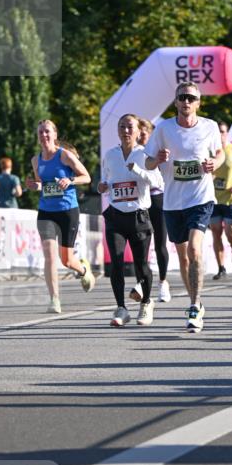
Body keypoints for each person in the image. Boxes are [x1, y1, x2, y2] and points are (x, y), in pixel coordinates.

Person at [145, 83, 222, 332]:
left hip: (200, 198)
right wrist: (157, 160)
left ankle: (194, 305)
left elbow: (220, 153)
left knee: (195, 251)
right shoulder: (164, 129)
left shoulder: (209, 127)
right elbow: (147, 162)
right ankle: (196, 303)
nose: (186, 102)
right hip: (172, 202)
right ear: (176, 102)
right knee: (183, 257)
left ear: (198, 103)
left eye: (191, 98)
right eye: (182, 98)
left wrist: (214, 163)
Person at [26, 119, 95, 314]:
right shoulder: (36, 160)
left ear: (55, 135)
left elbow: (87, 177)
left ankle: (82, 269)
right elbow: (43, 184)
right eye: (40, 132)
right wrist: (35, 186)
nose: (44, 135)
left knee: (66, 260)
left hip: (67, 211)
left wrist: (70, 179)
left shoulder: (64, 156)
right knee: (49, 256)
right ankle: (54, 299)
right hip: (46, 212)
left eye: (47, 132)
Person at [99, 114, 157, 326]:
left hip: (138, 215)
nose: (125, 131)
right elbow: (106, 179)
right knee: (116, 262)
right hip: (115, 215)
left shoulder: (144, 154)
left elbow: (157, 181)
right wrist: (102, 186)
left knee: (141, 265)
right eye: (122, 127)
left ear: (138, 131)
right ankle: (121, 308)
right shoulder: (110, 155)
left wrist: (138, 171)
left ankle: (146, 303)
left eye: (129, 127)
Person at [137, 118, 171, 303]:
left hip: (157, 198)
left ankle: (163, 282)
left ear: (151, 134)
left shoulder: (158, 152)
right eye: (139, 131)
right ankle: (142, 283)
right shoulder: (133, 152)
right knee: (141, 243)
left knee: (160, 242)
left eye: (145, 131)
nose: (141, 135)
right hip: (139, 199)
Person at [210, 122, 232, 280]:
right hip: (214, 198)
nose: (220, 134)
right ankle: (221, 267)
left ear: (227, 134)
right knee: (216, 232)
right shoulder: (209, 150)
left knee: (231, 232)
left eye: (223, 132)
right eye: (218, 132)